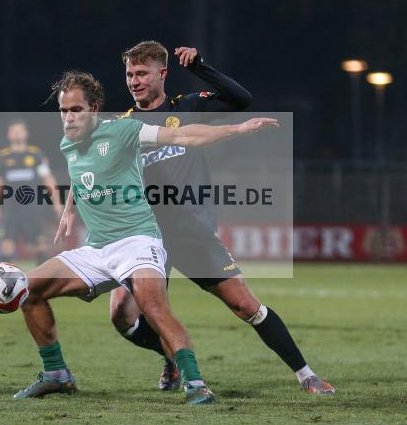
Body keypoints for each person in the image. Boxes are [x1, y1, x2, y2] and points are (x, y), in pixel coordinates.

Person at [14, 70, 277, 404]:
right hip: (97, 248)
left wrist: (237, 129)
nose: (68, 118)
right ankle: (56, 374)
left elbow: (183, 137)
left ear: (94, 109)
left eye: (76, 110)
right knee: (28, 290)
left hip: (139, 242)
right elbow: (85, 178)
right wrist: (70, 207)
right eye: (64, 111)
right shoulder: (69, 143)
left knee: (153, 309)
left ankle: (195, 383)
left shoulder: (123, 130)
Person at [108, 40, 335, 395]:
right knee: (122, 315)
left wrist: (200, 67)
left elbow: (241, 99)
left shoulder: (187, 108)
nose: (134, 81)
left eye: (141, 73)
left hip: (191, 232)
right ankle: (171, 357)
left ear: (162, 74)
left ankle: (307, 375)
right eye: (129, 74)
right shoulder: (122, 126)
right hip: (148, 237)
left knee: (245, 304)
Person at [0, 119, 64, 265]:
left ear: (26, 133)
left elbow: (48, 180)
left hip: (32, 209)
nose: (17, 134)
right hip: (10, 210)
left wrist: (57, 203)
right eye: (14, 131)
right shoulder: (2, 157)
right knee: (6, 246)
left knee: (39, 246)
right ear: (9, 134)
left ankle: (41, 284)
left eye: (20, 131)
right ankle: (4, 284)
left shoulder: (36, 155)